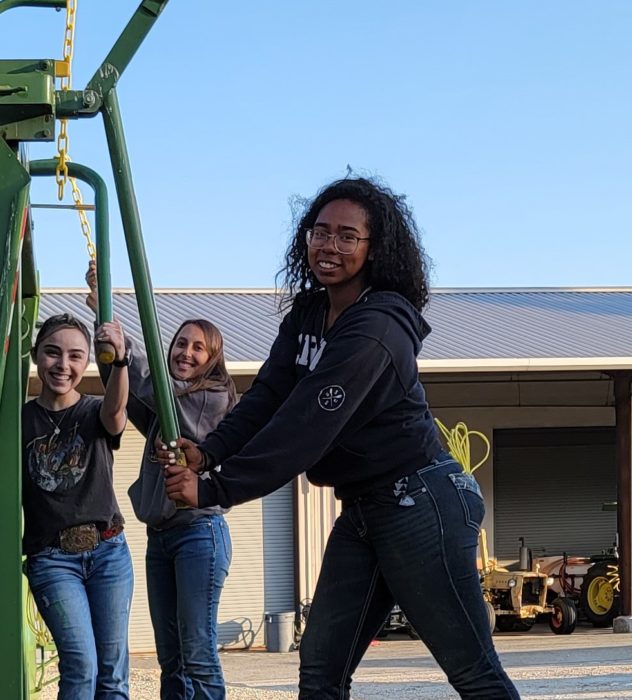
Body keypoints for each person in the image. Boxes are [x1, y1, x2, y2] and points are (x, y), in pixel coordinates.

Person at [159, 177, 519, 699]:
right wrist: (209, 449)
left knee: (473, 673)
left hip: (422, 504)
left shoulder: (378, 326)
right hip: (365, 509)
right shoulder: (308, 313)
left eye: (348, 236)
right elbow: (268, 395)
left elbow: (306, 423)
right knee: (320, 672)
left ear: (375, 249)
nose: (329, 246)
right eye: (319, 232)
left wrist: (216, 489)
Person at [86, 261, 237, 700]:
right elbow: (131, 386)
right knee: (171, 657)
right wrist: (102, 309)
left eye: (198, 349)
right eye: (180, 344)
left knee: (197, 651)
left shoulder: (212, 397)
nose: (186, 353)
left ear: (213, 360)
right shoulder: (166, 403)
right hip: (161, 536)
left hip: (199, 532)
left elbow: (154, 384)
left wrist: (125, 341)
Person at [22, 312, 133, 699]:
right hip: (53, 558)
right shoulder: (18, 422)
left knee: (113, 672)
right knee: (81, 665)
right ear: (35, 354)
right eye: (53, 353)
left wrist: (119, 360)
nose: (63, 365)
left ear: (87, 362)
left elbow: (117, 410)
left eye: (75, 356)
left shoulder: (93, 411)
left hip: (108, 553)